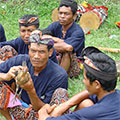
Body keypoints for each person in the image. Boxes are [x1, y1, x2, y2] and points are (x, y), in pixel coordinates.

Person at [0, 29, 68, 120]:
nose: (36, 56)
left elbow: (46, 111)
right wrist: (6, 76)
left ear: (50, 52)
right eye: (33, 51)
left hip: (40, 115)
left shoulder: (59, 75)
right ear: (29, 50)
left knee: (60, 96)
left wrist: (30, 90)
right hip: (19, 107)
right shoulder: (20, 60)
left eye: (41, 52)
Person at [38, 46, 120, 120]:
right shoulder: (115, 94)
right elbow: (88, 93)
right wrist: (65, 105)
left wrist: (43, 109)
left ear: (97, 84)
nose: (83, 81)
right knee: (86, 103)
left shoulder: (91, 113)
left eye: (84, 78)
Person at [47, 0, 85, 77]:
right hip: (57, 56)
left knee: (67, 52)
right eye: (60, 13)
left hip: (73, 64)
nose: (62, 16)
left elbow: (68, 47)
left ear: (74, 16)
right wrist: (56, 39)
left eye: (66, 14)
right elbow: (41, 34)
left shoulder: (78, 31)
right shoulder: (56, 25)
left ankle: (59, 77)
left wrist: (46, 44)